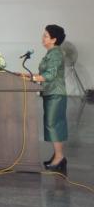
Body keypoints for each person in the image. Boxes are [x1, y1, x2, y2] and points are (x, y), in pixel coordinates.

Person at [27, 25, 68, 173]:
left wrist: (32, 78)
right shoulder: (51, 53)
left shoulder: (56, 54)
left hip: (56, 94)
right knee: (52, 124)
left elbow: (50, 75)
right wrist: (28, 76)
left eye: (46, 35)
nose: (43, 38)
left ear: (54, 39)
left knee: (54, 125)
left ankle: (60, 157)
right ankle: (57, 156)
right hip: (50, 93)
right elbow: (44, 73)